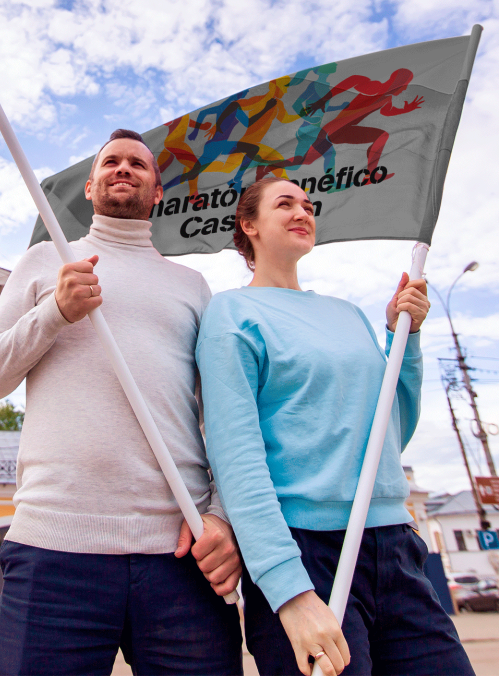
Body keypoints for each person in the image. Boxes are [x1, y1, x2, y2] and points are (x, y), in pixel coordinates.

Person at [0, 129, 243, 676]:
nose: (123, 169)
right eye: (110, 162)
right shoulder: (47, 262)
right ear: (89, 188)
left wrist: (221, 516)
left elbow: (223, 418)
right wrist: (53, 315)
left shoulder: (191, 285)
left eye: (137, 164)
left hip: (180, 553)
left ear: (158, 192)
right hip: (54, 548)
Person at [195, 177, 473, 676]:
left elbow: (389, 433)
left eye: (308, 203)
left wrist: (401, 338)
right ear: (249, 225)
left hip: (395, 542)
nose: (303, 211)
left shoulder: (346, 314)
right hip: (307, 551)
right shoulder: (231, 313)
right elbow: (236, 459)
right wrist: (290, 592)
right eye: (285, 203)